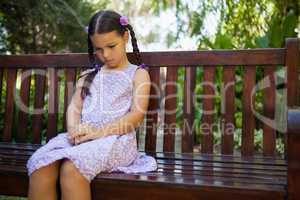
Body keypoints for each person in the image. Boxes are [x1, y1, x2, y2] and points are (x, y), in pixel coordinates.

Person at [27, 10, 157, 200]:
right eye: (98, 49)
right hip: (83, 138)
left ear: (126, 37)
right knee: (41, 164)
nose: (105, 54)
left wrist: (98, 133)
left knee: (72, 169)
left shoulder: (137, 74)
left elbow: (136, 116)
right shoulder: (89, 76)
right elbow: (74, 108)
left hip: (116, 141)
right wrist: (74, 130)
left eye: (112, 46)